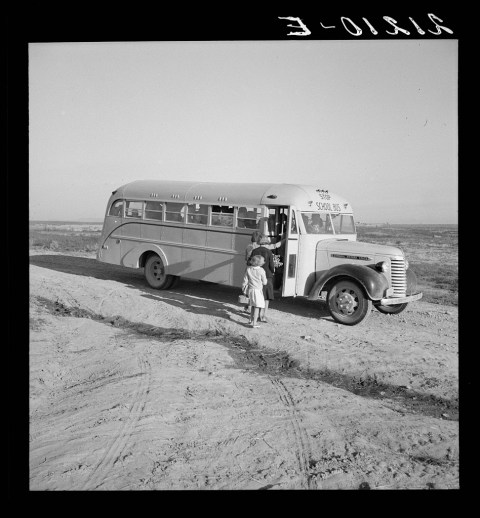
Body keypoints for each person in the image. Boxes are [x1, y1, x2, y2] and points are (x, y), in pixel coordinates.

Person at [250, 235, 275, 323]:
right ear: (267, 242)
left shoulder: (254, 251)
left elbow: (250, 262)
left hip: (255, 275)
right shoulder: (269, 252)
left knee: (257, 295)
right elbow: (271, 265)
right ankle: (263, 315)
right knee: (266, 296)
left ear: (260, 242)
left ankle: (253, 316)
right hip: (267, 275)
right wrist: (273, 271)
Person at [242, 254, 267, 328]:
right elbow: (264, 282)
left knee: (252, 305)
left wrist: (243, 289)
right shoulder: (261, 270)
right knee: (257, 307)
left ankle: (250, 320)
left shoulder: (249, 269)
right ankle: (254, 323)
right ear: (260, 263)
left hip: (250, 289)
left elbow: (245, 280)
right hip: (257, 290)